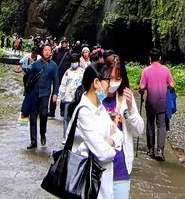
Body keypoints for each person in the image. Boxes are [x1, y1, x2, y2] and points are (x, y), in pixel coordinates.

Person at [68, 63, 123, 199]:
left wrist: (109, 141)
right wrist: (111, 143)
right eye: (108, 80)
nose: (110, 84)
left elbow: (120, 135)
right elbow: (104, 153)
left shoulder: (100, 108)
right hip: (85, 183)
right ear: (96, 82)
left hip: (103, 182)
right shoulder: (84, 112)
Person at [102, 57, 144, 198]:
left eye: (117, 78)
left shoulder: (126, 97)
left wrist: (131, 109)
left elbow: (139, 131)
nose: (113, 81)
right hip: (98, 168)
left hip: (121, 168)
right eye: (110, 77)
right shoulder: (94, 98)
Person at [139, 48, 174, 162]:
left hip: (150, 101)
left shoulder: (146, 71)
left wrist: (141, 90)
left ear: (150, 58)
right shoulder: (166, 70)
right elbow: (172, 85)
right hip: (162, 102)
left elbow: (141, 87)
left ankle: (150, 150)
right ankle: (160, 151)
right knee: (161, 126)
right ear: (160, 58)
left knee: (150, 125)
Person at [27, 43, 59, 148]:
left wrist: (55, 93)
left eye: (49, 50)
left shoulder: (53, 66)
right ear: (42, 51)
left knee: (44, 114)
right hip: (34, 93)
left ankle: (43, 133)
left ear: (51, 52)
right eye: (45, 50)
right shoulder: (35, 64)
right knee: (32, 117)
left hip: (45, 93)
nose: (47, 52)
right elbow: (29, 79)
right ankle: (33, 140)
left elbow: (56, 81)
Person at [58, 53, 84, 136]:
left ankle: (75, 136)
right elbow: (63, 84)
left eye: (75, 61)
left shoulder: (82, 72)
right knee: (66, 117)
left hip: (78, 99)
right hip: (68, 98)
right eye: (72, 61)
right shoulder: (67, 72)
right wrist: (60, 97)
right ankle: (66, 136)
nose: (74, 63)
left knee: (77, 118)